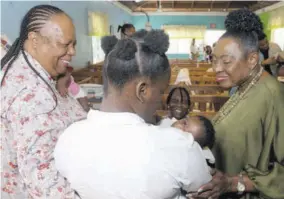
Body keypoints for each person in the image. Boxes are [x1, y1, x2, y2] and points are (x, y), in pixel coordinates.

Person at [54, 30, 212, 199]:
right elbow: (206, 191)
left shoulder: (68, 139)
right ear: (142, 91)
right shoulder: (179, 146)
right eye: (160, 91)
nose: (160, 101)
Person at [189, 9, 284, 199]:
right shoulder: (243, 86)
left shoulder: (273, 94)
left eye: (226, 61)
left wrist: (235, 183)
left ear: (251, 60)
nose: (216, 68)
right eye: (214, 60)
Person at [1, 5, 87, 198]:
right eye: (65, 44)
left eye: (74, 44)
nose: (72, 51)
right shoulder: (31, 94)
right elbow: (42, 178)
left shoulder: (28, 71)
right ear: (34, 40)